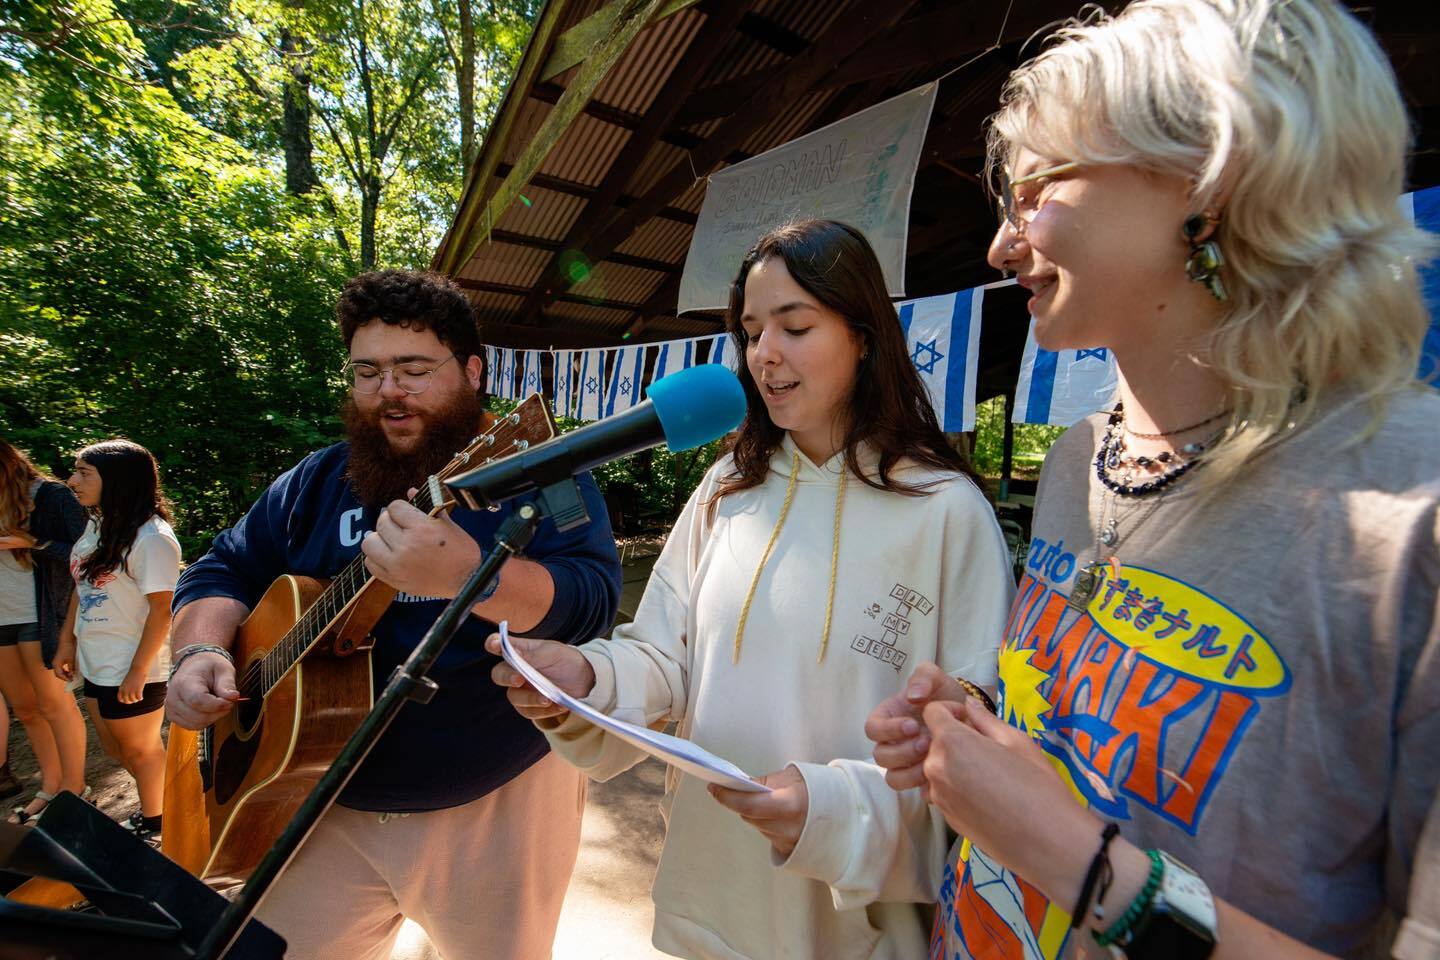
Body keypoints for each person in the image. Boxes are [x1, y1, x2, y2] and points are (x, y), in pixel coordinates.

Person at [865, 2, 1440, 958]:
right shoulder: (1080, 455)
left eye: (1035, 186)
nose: (1005, 246)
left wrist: (1083, 865)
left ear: (1212, 172)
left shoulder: (1413, 513)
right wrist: (983, 740)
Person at [491, 219, 1015, 960]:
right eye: (749, 330)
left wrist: (830, 810)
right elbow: (665, 657)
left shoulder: (945, 511)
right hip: (708, 902)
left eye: (795, 326)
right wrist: (587, 676)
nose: (764, 355)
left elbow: (978, 746)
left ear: (864, 336)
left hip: (851, 927)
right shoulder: (725, 490)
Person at [165, 269, 621, 960]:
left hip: (493, 803)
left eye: (413, 369)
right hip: (316, 802)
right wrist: (202, 652)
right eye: (368, 371)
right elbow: (220, 567)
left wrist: (469, 576)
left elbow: (589, 597)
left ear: (471, 371)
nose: (389, 392)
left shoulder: (544, 472)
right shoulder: (315, 482)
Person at [51, 439, 178, 841]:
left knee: (140, 751)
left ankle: (160, 822)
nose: (71, 481)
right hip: (96, 660)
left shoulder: (152, 537)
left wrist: (138, 672)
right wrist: (67, 641)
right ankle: (156, 811)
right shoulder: (98, 525)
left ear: (118, 479)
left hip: (132, 664)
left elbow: (162, 610)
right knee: (114, 749)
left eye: (83, 472)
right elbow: (82, 586)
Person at [0, 439, 90, 821]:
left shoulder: (50, 495)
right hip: (2, 616)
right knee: (25, 709)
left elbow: (88, 550)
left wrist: (33, 542)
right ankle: (50, 787)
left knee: (54, 704)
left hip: (43, 613)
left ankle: (75, 789)